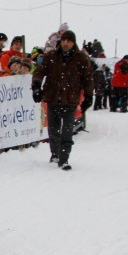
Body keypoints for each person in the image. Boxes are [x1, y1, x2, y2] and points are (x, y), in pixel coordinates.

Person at [32, 30, 92, 171]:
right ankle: (55, 154)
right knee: (53, 129)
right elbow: (39, 71)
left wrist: (89, 96)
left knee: (67, 131)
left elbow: (88, 78)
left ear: (73, 43)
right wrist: (36, 86)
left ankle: (64, 159)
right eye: (64, 40)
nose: (66, 43)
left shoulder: (81, 58)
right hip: (52, 97)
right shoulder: (51, 56)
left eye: (69, 40)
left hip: (70, 99)